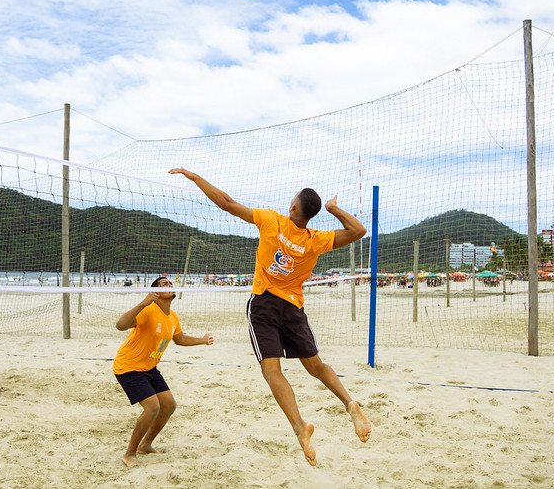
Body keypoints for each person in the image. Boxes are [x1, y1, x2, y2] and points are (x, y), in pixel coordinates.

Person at [169, 167, 371, 467]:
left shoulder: (271, 220)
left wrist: (195, 178)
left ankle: (300, 426)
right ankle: (349, 402)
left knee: (272, 371)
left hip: (264, 303)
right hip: (293, 307)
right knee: (315, 365)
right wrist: (334, 208)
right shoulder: (315, 239)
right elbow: (358, 231)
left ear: (292, 208)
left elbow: (225, 203)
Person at [113, 276, 214, 467]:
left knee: (169, 405)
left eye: (170, 283)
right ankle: (129, 453)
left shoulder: (173, 316)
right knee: (153, 408)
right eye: (164, 284)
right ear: (156, 293)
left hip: (149, 368)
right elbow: (120, 325)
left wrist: (203, 340)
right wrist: (143, 302)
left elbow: (180, 338)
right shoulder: (148, 310)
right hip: (128, 367)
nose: (169, 285)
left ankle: (146, 445)